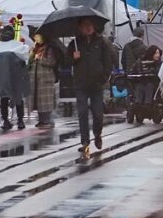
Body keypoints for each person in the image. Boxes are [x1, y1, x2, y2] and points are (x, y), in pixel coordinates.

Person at [68, 17, 116, 159]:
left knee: (98, 113)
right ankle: (85, 141)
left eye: (90, 25)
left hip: (96, 84)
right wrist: (73, 58)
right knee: (82, 112)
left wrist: (104, 77)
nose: (88, 28)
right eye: (85, 25)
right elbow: (66, 60)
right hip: (81, 84)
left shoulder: (101, 42)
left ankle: (97, 134)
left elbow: (108, 61)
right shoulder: (75, 43)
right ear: (80, 28)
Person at [0, 25, 32, 130]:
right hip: (16, 75)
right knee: (18, 97)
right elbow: (26, 59)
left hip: (1, 77)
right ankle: (20, 121)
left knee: (3, 97)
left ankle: (6, 121)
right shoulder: (19, 45)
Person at [29, 32, 62, 128]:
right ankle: (41, 120)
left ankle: (47, 120)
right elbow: (29, 60)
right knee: (38, 101)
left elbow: (52, 62)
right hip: (35, 79)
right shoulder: (34, 48)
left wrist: (40, 59)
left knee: (45, 102)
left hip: (45, 79)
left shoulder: (49, 48)